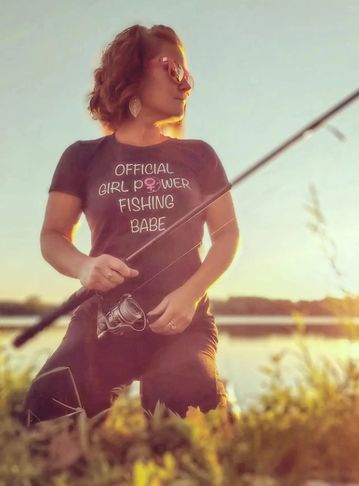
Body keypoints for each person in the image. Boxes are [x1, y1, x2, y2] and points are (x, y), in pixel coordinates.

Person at [23, 24, 240, 425]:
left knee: (182, 399)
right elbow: (52, 237)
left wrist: (191, 294)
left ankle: (214, 394)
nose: (186, 84)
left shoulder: (199, 155)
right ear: (131, 72)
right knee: (51, 403)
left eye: (188, 74)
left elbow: (227, 236)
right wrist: (84, 267)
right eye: (173, 69)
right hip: (102, 320)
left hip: (184, 322)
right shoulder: (82, 157)